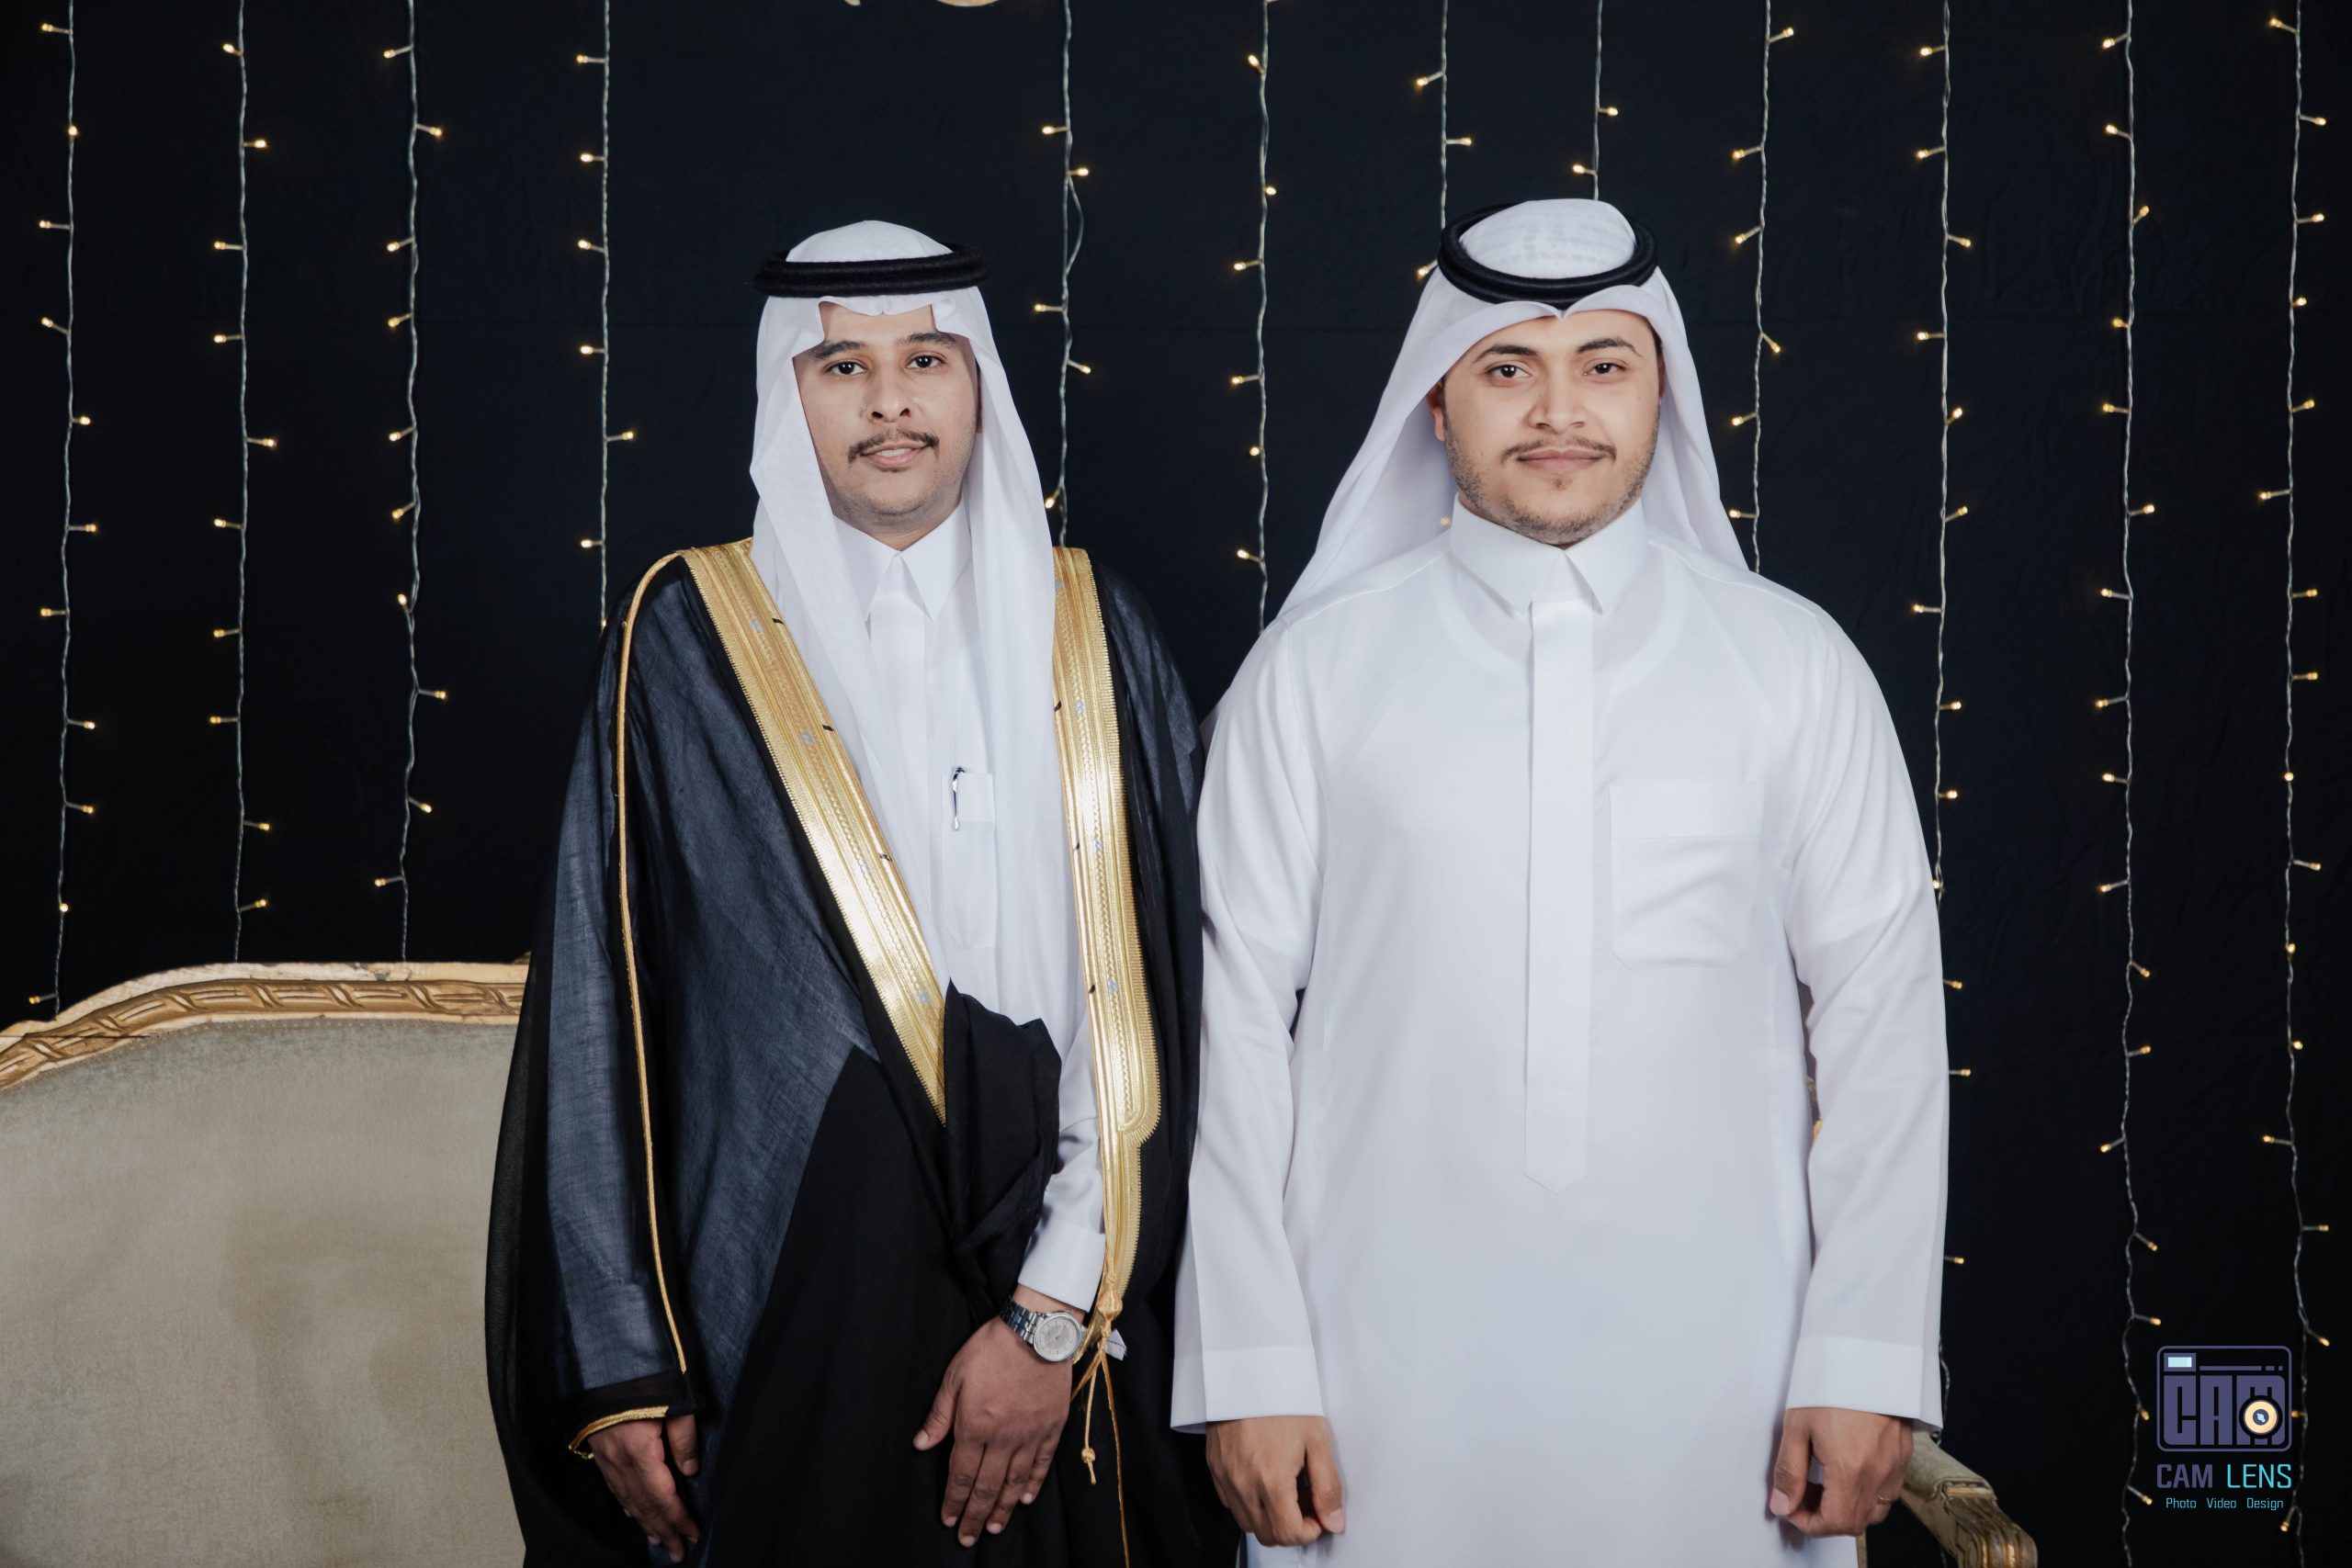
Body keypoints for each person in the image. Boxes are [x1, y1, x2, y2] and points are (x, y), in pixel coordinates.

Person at [1172, 197, 1951, 1565]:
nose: (1558, 413)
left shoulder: (1795, 667)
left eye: (1603, 364)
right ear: (1438, 402)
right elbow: (1229, 1029)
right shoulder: (1313, 673)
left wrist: (1868, 1352)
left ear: (1662, 395)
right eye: (1507, 368)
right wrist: (1248, 1365)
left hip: (1734, 1389)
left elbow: (1884, 1028)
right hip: (1371, 1382)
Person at [486, 220, 1238, 1567]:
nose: (890, 401)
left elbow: (1157, 1001)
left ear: (978, 385)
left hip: (1069, 1285)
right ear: (789, 394)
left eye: (926, 360)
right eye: (843, 367)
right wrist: (622, 1356)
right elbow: (607, 1005)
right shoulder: (687, 635)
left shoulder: (1096, 628)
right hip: (792, 1282)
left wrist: (1051, 1315)